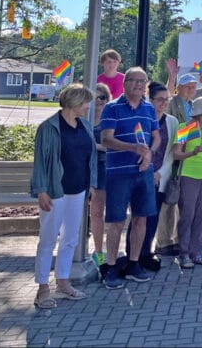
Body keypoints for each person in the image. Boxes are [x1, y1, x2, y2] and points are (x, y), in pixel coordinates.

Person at [30, 83, 97, 309]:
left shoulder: (85, 125)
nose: (88, 106)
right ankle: (42, 289)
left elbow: (91, 158)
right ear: (75, 103)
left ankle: (63, 282)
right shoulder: (49, 127)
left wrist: (91, 186)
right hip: (54, 191)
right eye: (86, 102)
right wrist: (40, 190)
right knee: (48, 240)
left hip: (78, 190)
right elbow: (40, 160)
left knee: (70, 239)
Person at [98, 67, 159, 289]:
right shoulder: (112, 108)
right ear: (125, 83)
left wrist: (148, 153)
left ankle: (134, 263)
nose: (140, 85)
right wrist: (134, 148)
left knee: (141, 218)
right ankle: (112, 266)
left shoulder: (149, 109)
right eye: (135, 81)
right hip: (119, 173)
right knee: (116, 221)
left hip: (143, 173)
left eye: (143, 82)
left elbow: (156, 137)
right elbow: (106, 139)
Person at [124, 82, 178, 270]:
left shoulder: (172, 122)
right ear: (150, 99)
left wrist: (160, 173)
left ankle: (146, 253)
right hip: (140, 175)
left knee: (153, 216)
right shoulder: (141, 119)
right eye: (160, 100)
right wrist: (147, 171)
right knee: (139, 217)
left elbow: (171, 152)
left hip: (160, 177)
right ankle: (133, 256)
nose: (163, 103)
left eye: (166, 100)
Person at [173, 97, 202, 269]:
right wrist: (192, 152)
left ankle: (195, 252)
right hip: (188, 174)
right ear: (199, 113)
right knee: (187, 215)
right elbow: (176, 154)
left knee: (201, 215)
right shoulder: (185, 128)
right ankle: (183, 253)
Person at [88, 83, 111, 269]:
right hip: (85, 170)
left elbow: (112, 146)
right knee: (94, 214)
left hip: (104, 169)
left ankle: (101, 253)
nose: (98, 101)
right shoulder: (83, 120)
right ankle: (94, 250)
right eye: (94, 97)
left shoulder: (109, 121)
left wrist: (94, 146)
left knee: (101, 212)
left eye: (102, 97)